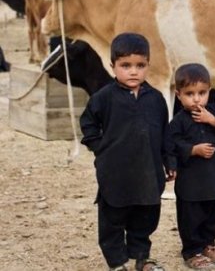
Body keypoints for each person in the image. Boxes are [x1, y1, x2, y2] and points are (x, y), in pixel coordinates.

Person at [79, 33, 175, 271]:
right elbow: (88, 123)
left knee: (145, 216)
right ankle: (117, 261)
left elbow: (165, 134)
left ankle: (141, 257)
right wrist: (101, 148)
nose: (133, 72)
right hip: (115, 172)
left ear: (148, 65)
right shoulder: (103, 98)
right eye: (126, 66)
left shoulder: (156, 99)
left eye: (140, 66)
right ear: (113, 66)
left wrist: (169, 161)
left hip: (148, 171)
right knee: (112, 217)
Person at [169, 63, 215, 270]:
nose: (197, 99)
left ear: (209, 91)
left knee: (211, 213)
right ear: (178, 94)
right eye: (190, 94)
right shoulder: (178, 121)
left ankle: (208, 244)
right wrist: (193, 150)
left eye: (202, 93)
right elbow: (171, 144)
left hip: (214, 178)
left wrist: (213, 120)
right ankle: (191, 250)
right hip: (191, 182)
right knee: (190, 215)